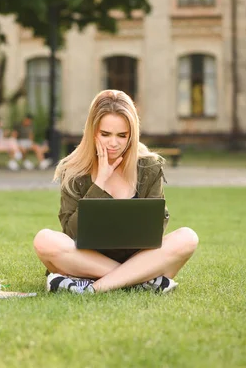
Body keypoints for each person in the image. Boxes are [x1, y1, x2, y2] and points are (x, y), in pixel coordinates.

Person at [32, 90, 198, 294]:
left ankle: (94, 287)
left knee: (188, 237)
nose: (113, 143)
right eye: (105, 134)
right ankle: (140, 282)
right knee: (44, 239)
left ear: (132, 134)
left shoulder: (148, 166)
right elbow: (71, 234)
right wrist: (99, 183)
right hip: (86, 261)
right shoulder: (73, 170)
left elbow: (157, 230)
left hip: (139, 258)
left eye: (122, 135)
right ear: (92, 131)